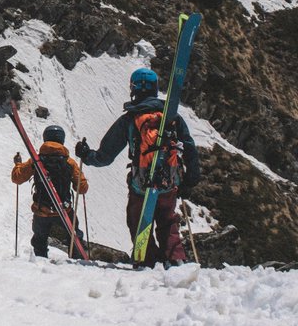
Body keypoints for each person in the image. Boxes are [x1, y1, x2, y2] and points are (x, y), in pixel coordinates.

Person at [75, 67, 200, 268]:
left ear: (133, 88)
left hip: (141, 183)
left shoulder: (130, 119)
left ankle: (146, 259)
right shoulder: (172, 117)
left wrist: (86, 155)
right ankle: (175, 258)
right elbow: (190, 147)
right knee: (168, 221)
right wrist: (191, 178)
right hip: (169, 181)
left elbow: (105, 156)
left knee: (138, 220)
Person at [11, 123, 89, 259]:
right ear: (62, 140)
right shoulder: (69, 163)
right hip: (64, 210)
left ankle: (41, 264)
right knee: (74, 238)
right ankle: (79, 262)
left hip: (41, 210)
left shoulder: (36, 161)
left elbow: (17, 178)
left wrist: (18, 164)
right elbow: (82, 188)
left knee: (39, 240)